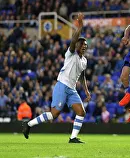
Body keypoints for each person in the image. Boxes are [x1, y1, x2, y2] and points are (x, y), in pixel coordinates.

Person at [22, 13, 91, 143]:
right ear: (77, 45)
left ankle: (73, 138)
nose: (84, 46)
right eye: (82, 44)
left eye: (86, 44)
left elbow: (82, 75)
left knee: (81, 112)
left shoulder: (84, 61)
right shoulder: (70, 53)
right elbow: (74, 39)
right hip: (62, 85)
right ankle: (28, 124)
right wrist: (79, 27)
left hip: (72, 89)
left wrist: (86, 90)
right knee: (54, 115)